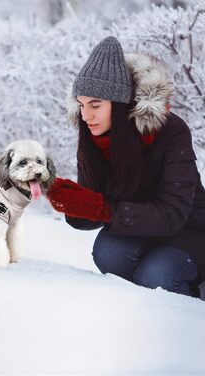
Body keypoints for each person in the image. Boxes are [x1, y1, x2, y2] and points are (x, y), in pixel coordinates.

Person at [47, 36, 205, 298]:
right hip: (134, 226)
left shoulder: (171, 130)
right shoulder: (92, 135)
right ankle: (133, 300)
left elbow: (173, 214)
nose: (86, 116)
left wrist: (101, 208)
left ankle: (189, 302)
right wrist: (73, 203)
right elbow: (94, 209)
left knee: (157, 275)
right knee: (109, 253)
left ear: (119, 104)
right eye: (82, 104)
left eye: (95, 105)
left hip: (188, 229)